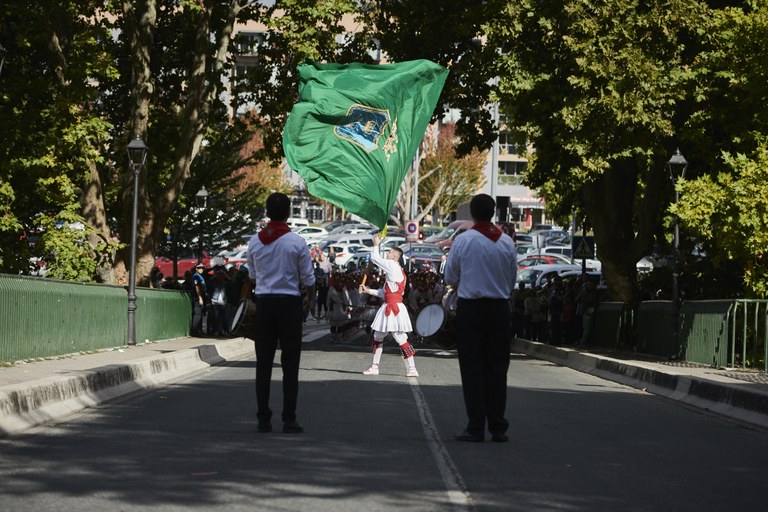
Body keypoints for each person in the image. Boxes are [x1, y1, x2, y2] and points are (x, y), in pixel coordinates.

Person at [444, 194, 517, 442]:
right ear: (493, 213)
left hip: (472, 308)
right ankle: (498, 427)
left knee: (472, 368)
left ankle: (475, 426)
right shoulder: (507, 242)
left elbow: (450, 277)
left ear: (472, 214)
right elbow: (511, 280)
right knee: (497, 369)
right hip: (499, 309)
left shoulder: (464, 241)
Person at [246, 192, 316, 434]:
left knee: (263, 363)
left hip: (264, 304)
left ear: (267, 212)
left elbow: (252, 276)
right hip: (289, 305)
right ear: (288, 213)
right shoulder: (296, 242)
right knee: (290, 363)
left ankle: (263, 418)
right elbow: (308, 278)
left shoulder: (255, 242)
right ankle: (289, 418)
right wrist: (309, 300)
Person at [358, 235, 419, 377]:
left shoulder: (392, 266)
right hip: (391, 305)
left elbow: (375, 259)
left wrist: (376, 244)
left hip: (393, 308)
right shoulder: (397, 271)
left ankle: (412, 368)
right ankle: (375, 366)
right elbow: (384, 292)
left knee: (400, 338)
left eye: (390, 252)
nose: (387, 253)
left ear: (394, 257)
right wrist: (367, 290)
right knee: (378, 336)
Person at [191, 263, 209, 337]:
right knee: (197, 315)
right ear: (196, 269)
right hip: (198, 298)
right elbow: (197, 287)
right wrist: (200, 298)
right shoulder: (196, 276)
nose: (201, 269)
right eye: (199, 268)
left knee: (201, 315)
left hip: (202, 297)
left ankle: (199, 331)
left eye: (202, 268)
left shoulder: (200, 276)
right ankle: (195, 332)